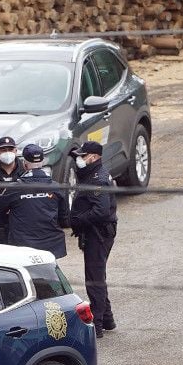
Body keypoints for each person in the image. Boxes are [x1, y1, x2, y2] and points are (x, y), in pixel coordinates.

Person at [68, 141, 117, 338]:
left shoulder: (98, 179)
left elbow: (101, 210)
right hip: (93, 232)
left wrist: (78, 220)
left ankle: (96, 326)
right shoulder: (90, 172)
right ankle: (107, 319)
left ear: (93, 157)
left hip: (98, 233)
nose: (79, 159)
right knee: (97, 276)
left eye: (83, 155)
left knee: (94, 280)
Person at [0, 144, 68, 259]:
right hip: (51, 244)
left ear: (24, 164)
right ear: (43, 162)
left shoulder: (14, 188)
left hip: (23, 245)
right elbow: (65, 218)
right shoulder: (56, 187)